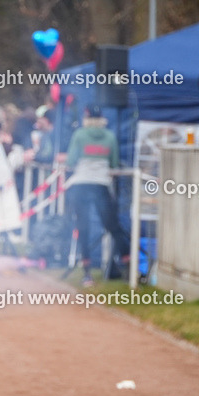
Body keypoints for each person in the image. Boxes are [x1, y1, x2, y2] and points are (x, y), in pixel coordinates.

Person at [63, 105, 130, 285]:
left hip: (81, 185)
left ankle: (87, 274)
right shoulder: (109, 136)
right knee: (113, 227)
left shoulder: (79, 135)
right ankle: (129, 269)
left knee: (83, 227)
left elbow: (71, 161)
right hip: (101, 185)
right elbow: (114, 164)